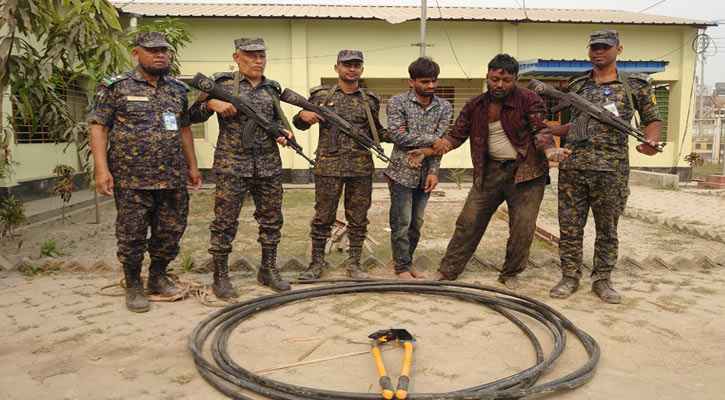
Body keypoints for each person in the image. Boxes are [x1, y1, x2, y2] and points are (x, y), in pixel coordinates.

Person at [411, 53, 569, 289]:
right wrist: (427, 151)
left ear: (515, 79)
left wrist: (549, 151)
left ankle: (510, 273)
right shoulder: (475, 105)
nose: (499, 85)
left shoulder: (529, 99)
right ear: (488, 76)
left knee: (523, 227)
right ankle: (448, 270)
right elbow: (456, 136)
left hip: (526, 172)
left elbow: (541, 130)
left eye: (506, 80)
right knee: (468, 222)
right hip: (489, 171)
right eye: (495, 79)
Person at [89, 31, 203, 313]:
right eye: (152, 50)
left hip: (172, 176)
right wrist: (101, 170)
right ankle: (133, 284)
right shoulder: (115, 86)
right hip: (131, 178)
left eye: (163, 49)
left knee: (170, 230)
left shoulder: (177, 88)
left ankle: (157, 277)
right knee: (132, 234)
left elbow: (185, 129)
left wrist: (192, 165)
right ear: (136, 53)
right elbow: (99, 128)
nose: (160, 54)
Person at [549, 30, 662, 304]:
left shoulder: (635, 85)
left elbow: (653, 119)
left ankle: (602, 280)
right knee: (570, 227)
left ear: (618, 50)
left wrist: (651, 141)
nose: (599, 52)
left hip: (611, 170)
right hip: (574, 168)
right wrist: (547, 129)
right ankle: (569, 277)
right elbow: (573, 126)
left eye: (605, 47)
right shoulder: (577, 85)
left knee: (607, 229)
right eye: (595, 47)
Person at [189, 38, 293, 297]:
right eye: (251, 56)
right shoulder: (220, 83)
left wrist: (284, 133)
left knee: (271, 220)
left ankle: (268, 269)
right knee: (224, 222)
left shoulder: (272, 88)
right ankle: (221, 277)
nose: (258, 60)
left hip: (268, 165)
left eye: (262, 56)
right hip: (232, 164)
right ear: (237, 58)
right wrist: (210, 104)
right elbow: (191, 115)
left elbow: (277, 121)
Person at [294, 50, 388, 280]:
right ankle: (316, 264)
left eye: (357, 65)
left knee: (358, 217)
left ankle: (354, 264)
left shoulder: (370, 100)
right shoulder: (321, 96)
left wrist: (403, 136)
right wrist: (302, 114)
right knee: (323, 217)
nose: (352, 69)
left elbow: (377, 132)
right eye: (347, 65)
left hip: (360, 167)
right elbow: (300, 124)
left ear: (362, 69)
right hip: (328, 166)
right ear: (336, 68)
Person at [384, 57, 453, 280]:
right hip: (400, 172)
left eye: (434, 81)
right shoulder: (397, 103)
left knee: (417, 223)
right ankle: (401, 268)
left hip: (426, 174)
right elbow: (396, 134)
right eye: (425, 81)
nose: (431, 86)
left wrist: (434, 171)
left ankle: (408, 262)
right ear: (411, 82)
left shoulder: (444, 107)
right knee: (401, 222)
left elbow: (441, 145)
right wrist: (432, 140)